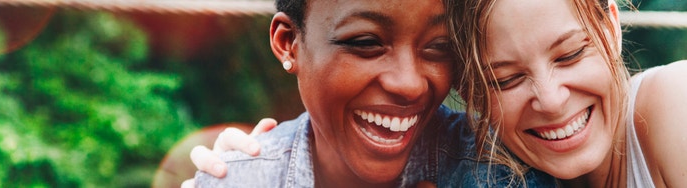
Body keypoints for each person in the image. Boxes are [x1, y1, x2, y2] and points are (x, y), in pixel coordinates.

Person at [188, 0, 557, 187]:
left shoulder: (498, 173)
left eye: (438, 46)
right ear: (289, 43)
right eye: (365, 42)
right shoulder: (240, 178)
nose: (409, 84)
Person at [455, 0, 687, 187]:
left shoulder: (675, 100)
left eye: (570, 54)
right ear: (471, 94)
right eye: (507, 80)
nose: (551, 101)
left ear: (611, 29)